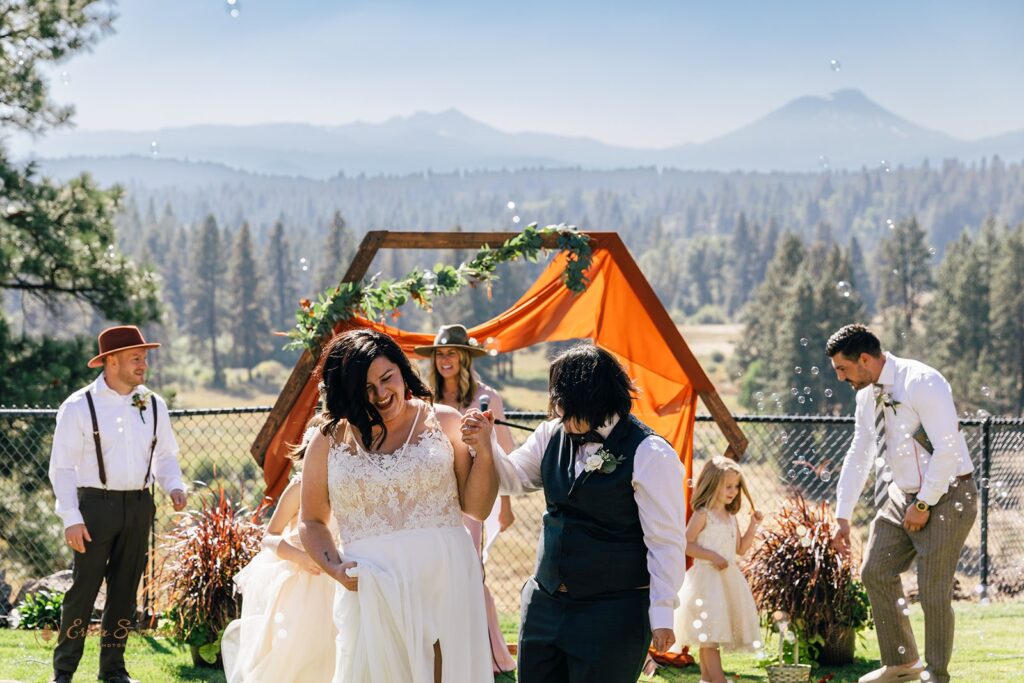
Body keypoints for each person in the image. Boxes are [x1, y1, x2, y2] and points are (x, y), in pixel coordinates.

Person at [462, 342, 687, 683]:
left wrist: (662, 613)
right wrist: (486, 444)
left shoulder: (651, 453)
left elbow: (665, 541)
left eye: (563, 404)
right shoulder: (551, 433)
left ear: (593, 400)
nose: (557, 413)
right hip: (544, 606)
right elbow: (513, 479)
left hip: (613, 612)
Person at [299, 329, 498, 682]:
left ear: (402, 370)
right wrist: (336, 569)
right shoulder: (329, 440)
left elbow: (477, 509)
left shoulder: (445, 421)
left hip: (444, 579)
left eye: (387, 378)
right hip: (371, 589)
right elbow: (312, 521)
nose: (381, 394)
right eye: (366, 388)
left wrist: (484, 451)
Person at [827, 324, 976, 683]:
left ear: (864, 359)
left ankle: (936, 675)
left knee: (933, 592)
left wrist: (924, 505)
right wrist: (842, 515)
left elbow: (948, 448)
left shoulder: (922, 381)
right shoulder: (866, 397)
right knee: (875, 571)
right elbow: (859, 452)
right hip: (901, 494)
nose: (841, 378)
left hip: (949, 493)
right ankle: (902, 664)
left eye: (842, 369)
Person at [47, 326, 187, 683]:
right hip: (94, 506)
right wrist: (70, 517)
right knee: (83, 591)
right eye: (135, 358)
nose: (143, 364)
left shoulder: (153, 404)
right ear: (111, 361)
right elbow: (61, 468)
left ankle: (113, 670)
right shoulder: (79, 407)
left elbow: (166, 457)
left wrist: (173, 486)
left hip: (139, 506)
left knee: (125, 594)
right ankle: (63, 671)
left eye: (144, 357)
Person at [415, 323, 517, 674]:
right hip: (436, 494)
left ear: (465, 358)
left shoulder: (486, 398)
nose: (446, 359)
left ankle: (486, 654)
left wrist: (505, 504)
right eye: (440, 353)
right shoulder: (425, 398)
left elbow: (504, 450)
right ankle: (440, 649)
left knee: (470, 568)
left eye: (452, 353)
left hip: (474, 496)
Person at [221, 413, 338, 683]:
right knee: (298, 652)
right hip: (304, 582)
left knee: (333, 650)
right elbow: (270, 536)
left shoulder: (348, 488)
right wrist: (300, 557)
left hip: (336, 578)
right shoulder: (299, 488)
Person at [671, 456, 762, 683]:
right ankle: (718, 680)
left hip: (727, 583)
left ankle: (707, 680)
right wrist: (711, 556)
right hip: (706, 583)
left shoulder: (730, 517)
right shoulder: (703, 514)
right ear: (713, 484)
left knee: (710, 637)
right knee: (709, 637)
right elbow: (686, 543)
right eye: (728, 486)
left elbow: (740, 549)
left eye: (736, 486)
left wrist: (753, 525)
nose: (733, 491)